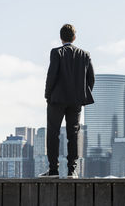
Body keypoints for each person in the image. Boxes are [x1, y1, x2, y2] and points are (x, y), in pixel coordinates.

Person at [39, 24, 95, 179]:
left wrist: (47, 95)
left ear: (60, 37)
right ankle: (72, 171)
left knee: (53, 133)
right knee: (73, 134)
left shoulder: (56, 52)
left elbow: (51, 75)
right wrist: (82, 94)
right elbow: (91, 78)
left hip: (56, 100)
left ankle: (53, 170)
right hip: (76, 101)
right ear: (74, 38)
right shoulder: (85, 54)